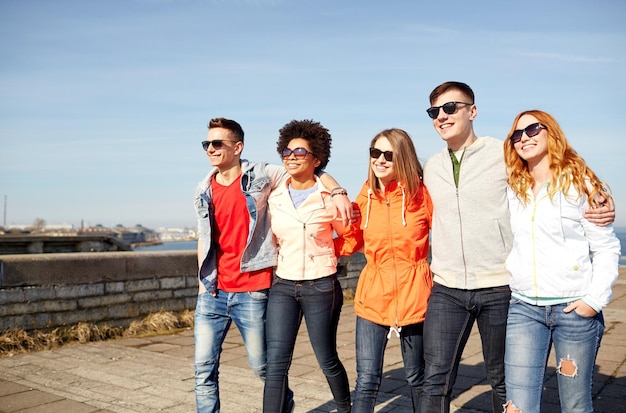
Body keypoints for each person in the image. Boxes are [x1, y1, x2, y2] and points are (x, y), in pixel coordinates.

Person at [417, 81, 616, 413]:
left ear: (472, 111)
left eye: (451, 107)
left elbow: (558, 174)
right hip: (450, 287)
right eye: (434, 111)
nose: (442, 116)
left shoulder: (504, 154)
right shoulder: (432, 166)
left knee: (506, 383)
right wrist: (334, 189)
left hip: (500, 287)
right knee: (435, 378)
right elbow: (390, 178)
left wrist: (599, 199)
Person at [193, 117, 352, 413]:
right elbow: (205, 237)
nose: (210, 149)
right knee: (263, 365)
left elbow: (316, 179)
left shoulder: (264, 177)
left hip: (305, 285)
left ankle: (346, 408)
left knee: (319, 359)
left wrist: (338, 190)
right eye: (207, 144)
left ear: (238, 147)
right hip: (272, 286)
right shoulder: (215, 190)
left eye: (217, 143)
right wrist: (203, 282)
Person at [502, 110, 621, 412]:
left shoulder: (580, 183)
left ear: (550, 132)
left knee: (575, 407)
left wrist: (594, 300)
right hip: (524, 310)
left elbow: (607, 247)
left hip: (574, 311)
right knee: (518, 407)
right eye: (517, 134)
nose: (524, 138)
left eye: (531, 129)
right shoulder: (513, 186)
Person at [336, 128, 433, 412]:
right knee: (366, 380)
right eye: (374, 152)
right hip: (373, 298)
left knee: (417, 378)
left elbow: (450, 231)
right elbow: (350, 241)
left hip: (417, 297)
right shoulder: (366, 196)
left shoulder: (421, 195)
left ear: (402, 157)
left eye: (387, 155)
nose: (379, 159)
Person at [263, 119, 352, 413]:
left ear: (317, 159)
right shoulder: (274, 197)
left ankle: (345, 408)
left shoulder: (330, 197)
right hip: (283, 286)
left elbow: (348, 235)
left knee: (326, 357)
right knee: (276, 362)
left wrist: (328, 254)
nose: (291, 156)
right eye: (286, 151)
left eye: (300, 152)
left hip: (321, 285)